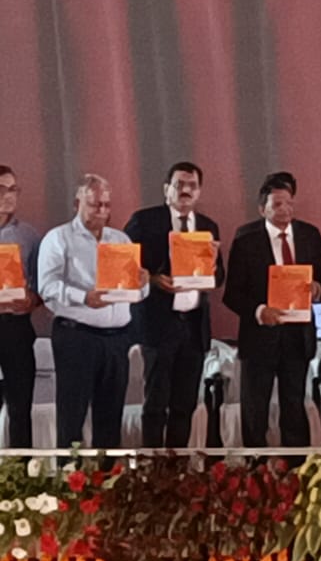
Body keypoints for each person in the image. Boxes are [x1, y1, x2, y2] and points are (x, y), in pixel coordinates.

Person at [37, 174, 149, 448]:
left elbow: (136, 294)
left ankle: (107, 475)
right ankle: (69, 473)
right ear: (77, 204)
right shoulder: (58, 238)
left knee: (111, 418)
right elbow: (47, 286)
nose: (102, 210)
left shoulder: (121, 240)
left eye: (106, 205)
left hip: (117, 338)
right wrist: (84, 298)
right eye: (94, 204)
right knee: (72, 415)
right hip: (77, 336)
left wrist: (143, 284)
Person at [223, 173, 321, 448]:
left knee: (294, 407)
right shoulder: (246, 240)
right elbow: (232, 294)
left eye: (289, 203)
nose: (285, 210)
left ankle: (296, 467)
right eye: (278, 204)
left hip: (298, 336)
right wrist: (259, 311)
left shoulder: (309, 235)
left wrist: (317, 289)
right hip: (260, 337)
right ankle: (255, 468)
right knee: (255, 409)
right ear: (263, 209)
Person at [124, 162, 225, 448]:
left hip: (193, 326)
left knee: (185, 404)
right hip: (158, 325)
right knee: (156, 402)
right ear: (166, 189)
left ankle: (177, 467)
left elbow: (219, 277)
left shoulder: (208, 227)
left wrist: (211, 268)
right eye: (179, 184)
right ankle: (152, 465)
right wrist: (155, 280)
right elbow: (125, 265)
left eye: (192, 185)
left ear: (199, 191)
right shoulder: (144, 221)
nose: (185, 190)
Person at [0, 165, 42, 448]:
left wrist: (33, 299)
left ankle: (21, 470)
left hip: (15, 327)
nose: (8, 195)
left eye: (13, 189)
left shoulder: (28, 235)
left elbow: (42, 284)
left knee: (20, 407)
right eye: (2, 189)